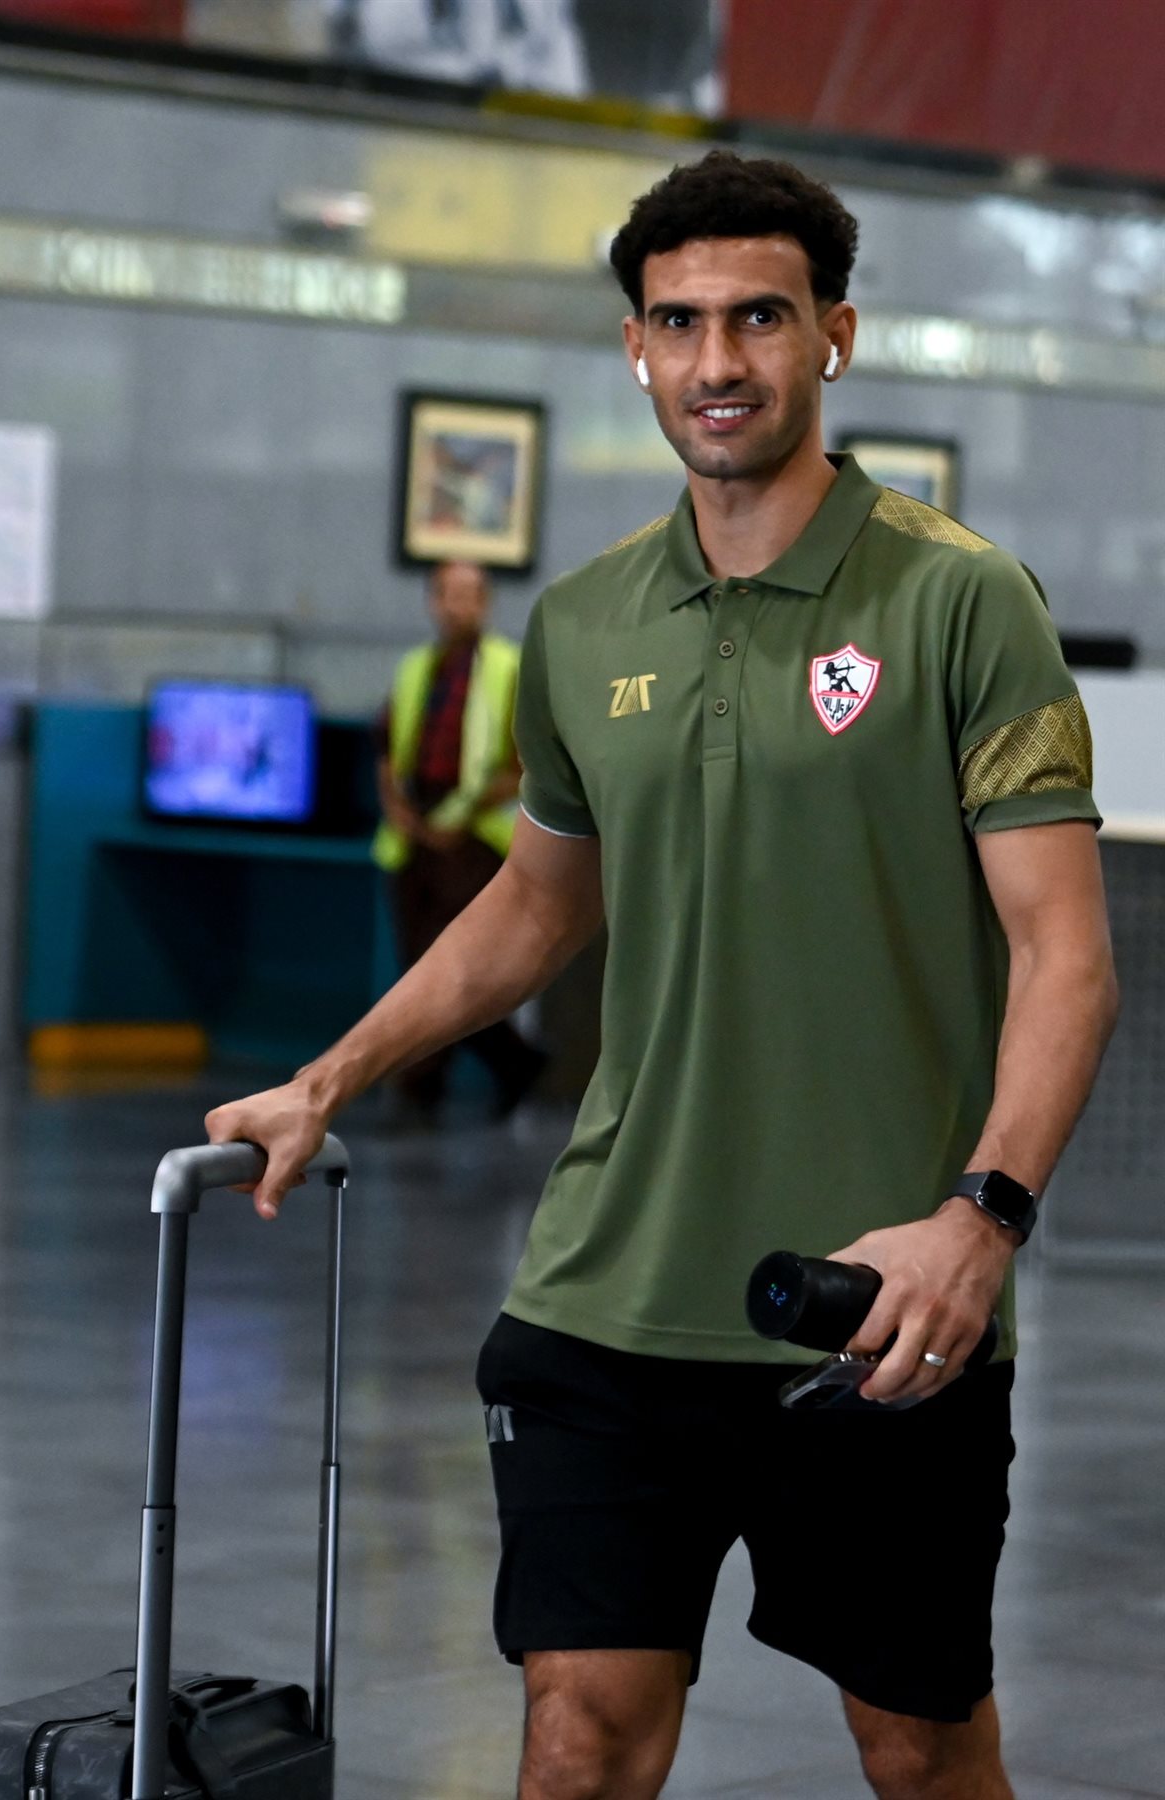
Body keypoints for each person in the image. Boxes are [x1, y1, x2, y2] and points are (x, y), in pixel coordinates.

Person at [206, 151, 1118, 1799]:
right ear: (634, 346)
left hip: (879, 1307)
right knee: (578, 1739)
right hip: (608, 1295)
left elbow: (1068, 955)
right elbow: (535, 905)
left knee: (918, 1750)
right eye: (678, 323)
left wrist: (979, 1223)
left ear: (834, 335)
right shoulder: (587, 622)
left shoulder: (963, 602)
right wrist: (325, 1080)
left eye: (759, 317)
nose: (717, 361)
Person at [373, 559, 546, 1119]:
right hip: (414, 837)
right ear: (433, 601)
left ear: (486, 603)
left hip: (475, 838)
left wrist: (463, 815)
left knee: (449, 966)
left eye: (470, 595)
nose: (458, 606)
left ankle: (420, 1090)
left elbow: (526, 761)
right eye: (449, 594)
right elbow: (387, 746)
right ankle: (515, 1062)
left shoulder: (509, 667)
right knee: (418, 965)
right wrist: (399, 809)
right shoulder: (415, 668)